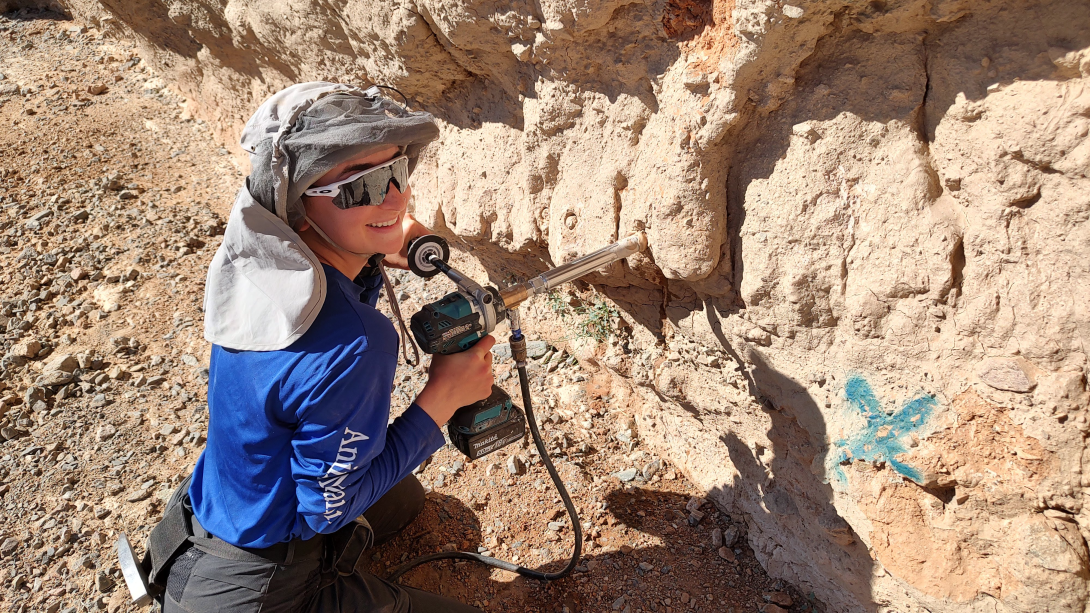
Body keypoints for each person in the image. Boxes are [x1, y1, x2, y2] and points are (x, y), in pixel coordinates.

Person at [155, 82, 493, 612]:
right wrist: (444, 398)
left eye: (397, 173)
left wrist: (373, 241)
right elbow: (327, 512)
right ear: (298, 199)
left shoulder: (257, 261)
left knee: (402, 500)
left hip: (220, 507)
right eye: (360, 186)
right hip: (255, 589)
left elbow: (317, 326)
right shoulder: (357, 344)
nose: (397, 199)